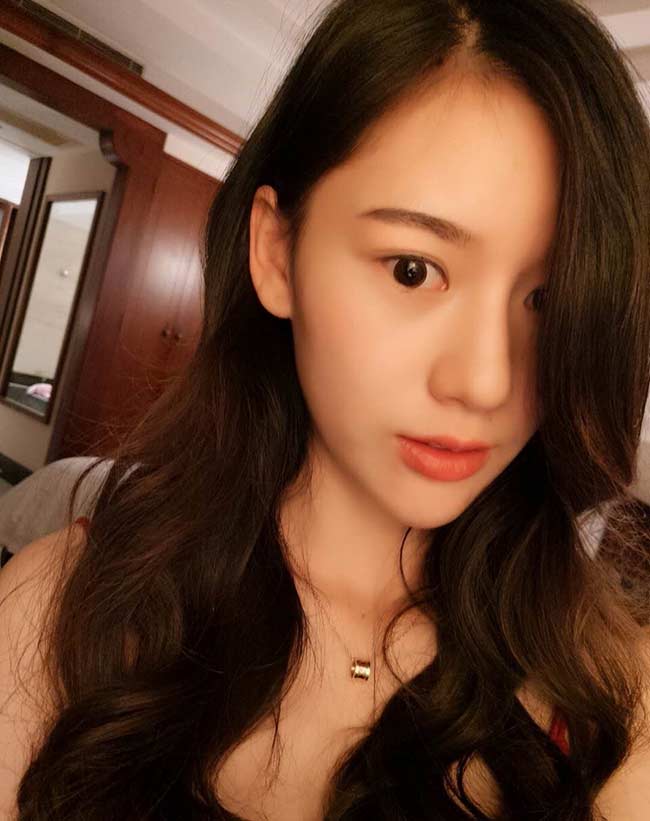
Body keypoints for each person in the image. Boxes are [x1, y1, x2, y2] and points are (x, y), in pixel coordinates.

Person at [2, 0, 650, 818]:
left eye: (547, 299)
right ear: (277, 253)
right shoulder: (59, 609)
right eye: (412, 269)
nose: (485, 382)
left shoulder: (607, 700)